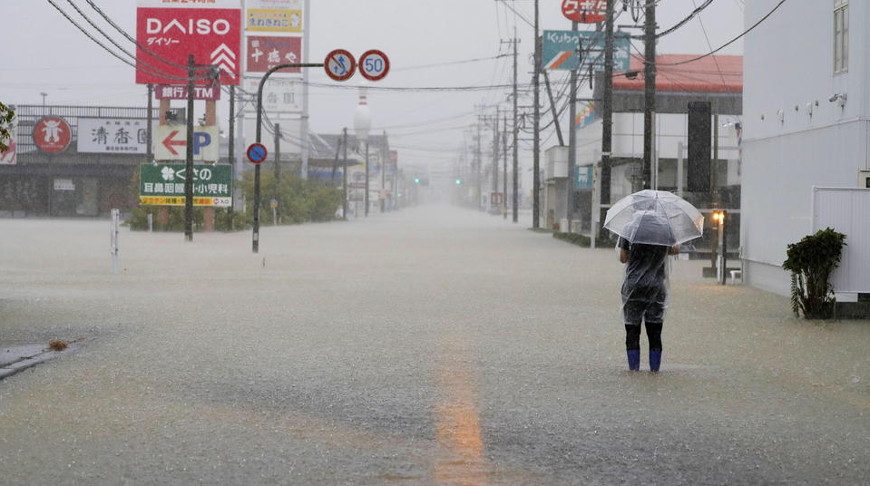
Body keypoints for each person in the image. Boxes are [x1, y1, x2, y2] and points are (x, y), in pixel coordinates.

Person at [618, 236, 680, 372]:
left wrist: (637, 253)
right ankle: (654, 372)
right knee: (654, 333)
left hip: (633, 287)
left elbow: (623, 258)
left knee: (632, 331)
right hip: (656, 287)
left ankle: (634, 371)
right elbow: (674, 250)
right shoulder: (664, 229)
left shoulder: (630, 229)